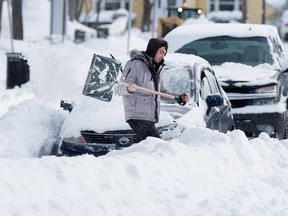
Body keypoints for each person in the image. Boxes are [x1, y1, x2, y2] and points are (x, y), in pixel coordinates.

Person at [115, 38, 189, 142]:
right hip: (137, 116)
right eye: (161, 52)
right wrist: (129, 88)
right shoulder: (135, 65)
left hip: (150, 117)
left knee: (147, 148)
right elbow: (120, 88)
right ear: (154, 50)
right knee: (156, 145)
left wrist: (178, 98)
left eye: (164, 53)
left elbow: (161, 92)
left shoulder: (158, 69)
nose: (162, 56)